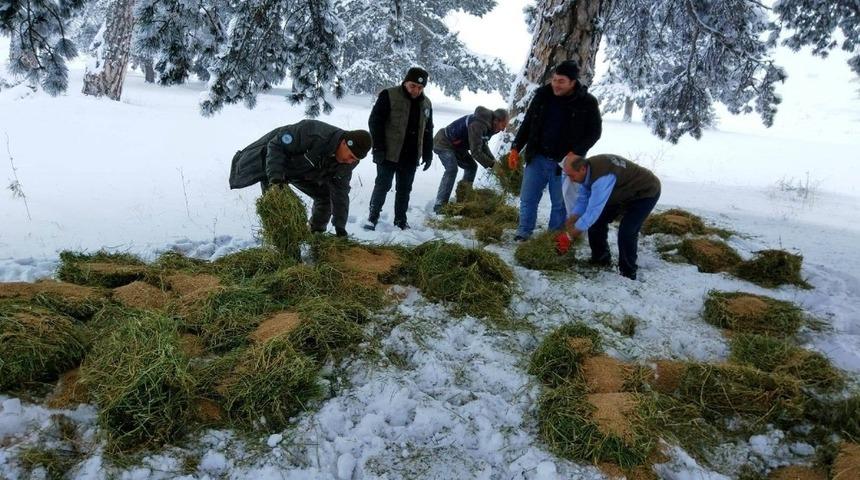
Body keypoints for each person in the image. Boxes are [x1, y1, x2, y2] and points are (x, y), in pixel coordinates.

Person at [507, 60, 602, 241]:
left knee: (560, 204)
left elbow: (595, 132)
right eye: (554, 80)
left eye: (561, 81)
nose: (556, 85)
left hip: (565, 163)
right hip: (538, 157)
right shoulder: (542, 96)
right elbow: (528, 123)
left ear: (572, 83)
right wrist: (515, 147)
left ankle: (552, 238)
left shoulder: (587, 102)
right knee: (528, 198)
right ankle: (523, 232)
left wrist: (577, 151)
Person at [228, 119, 371, 237]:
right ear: (344, 143)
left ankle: (316, 234)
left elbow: (341, 193)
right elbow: (275, 145)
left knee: (325, 197)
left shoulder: (348, 163)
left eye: (355, 160)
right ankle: (283, 247)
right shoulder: (312, 132)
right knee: (279, 205)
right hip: (275, 164)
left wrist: (340, 227)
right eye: (351, 156)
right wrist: (276, 180)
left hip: (303, 171)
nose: (351, 161)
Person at [557, 154, 661, 280]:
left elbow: (593, 210)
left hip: (645, 192)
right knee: (597, 222)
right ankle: (601, 259)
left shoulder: (602, 177)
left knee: (627, 231)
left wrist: (572, 233)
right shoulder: (587, 171)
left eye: (571, 175)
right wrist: (574, 217)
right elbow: (583, 199)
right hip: (621, 193)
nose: (571, 179)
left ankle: (628, 272)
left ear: (582, 169)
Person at [364, 66, 434, 231]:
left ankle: (400, 220)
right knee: (383, 185)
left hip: (410, 155)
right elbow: (375, 122)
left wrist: (427, 153)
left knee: (404, 189)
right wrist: (378, 148)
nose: (416, 90)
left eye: (420, 87)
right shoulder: (389, 95)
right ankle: (373, 217)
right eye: (412, 86)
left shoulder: (426, 103)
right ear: (405, 82)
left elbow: (428, 129)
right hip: (389, 152)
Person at [432, 107, 509, 213]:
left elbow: (483, 146)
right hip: (444, 142)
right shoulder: (478, 124)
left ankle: (463, 199)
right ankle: (440, 205)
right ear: (496, 120)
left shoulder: (489, 126)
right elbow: (476, 152)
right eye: (503, 125)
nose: (503, 129)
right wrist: (492, 165)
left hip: (458, 147)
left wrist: (494, 162)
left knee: (471, 167)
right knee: (452, 169)